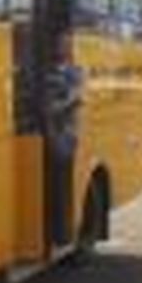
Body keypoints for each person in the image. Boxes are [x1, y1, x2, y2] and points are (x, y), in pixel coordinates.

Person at [45, 31, 83, 247]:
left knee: (62, 185)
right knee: (55, 186)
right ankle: (60, 231)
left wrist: (61, 105)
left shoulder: (75, 72)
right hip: (53, 133)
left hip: (65, 136)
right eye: (61, 44)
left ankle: (63, 233)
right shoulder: (48, 71)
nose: (63, 48)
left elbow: (73, 99)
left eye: (67, 44)